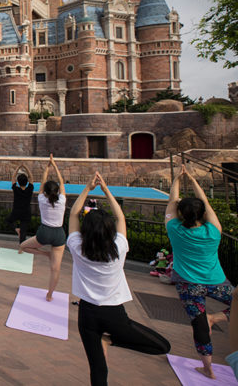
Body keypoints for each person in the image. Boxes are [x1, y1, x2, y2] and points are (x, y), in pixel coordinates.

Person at [68, 171, 170, 385]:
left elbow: (73, 215)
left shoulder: (78, 247)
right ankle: (112, 340)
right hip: (114, 314)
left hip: (87, 314)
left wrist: (87, 187)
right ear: (109, 231)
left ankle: (109, 340)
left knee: (97, 369)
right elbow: (120, 217)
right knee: (162, 346)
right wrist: (106, 190)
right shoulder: (119, 248)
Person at [166, 164, 233, 379]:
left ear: (180, 214)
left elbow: (171, 202)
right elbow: (206, 204)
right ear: (202, 214)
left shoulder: (174, 229)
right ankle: (217, 318)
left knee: (199, 325)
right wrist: (194, 181)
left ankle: (208, 368)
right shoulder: (214, 231)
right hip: (217, 281)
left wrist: (177, 179)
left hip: (188, 284)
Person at [19, 154, 67, 301]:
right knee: (55, 269)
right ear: (57, 191)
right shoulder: (62, 199)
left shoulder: (41, 198)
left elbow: (42, 183)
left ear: (45, 192)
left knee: (23, 246)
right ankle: (49, 295)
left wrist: (47, 166)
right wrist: (55, 166)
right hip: (59, 234)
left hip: (44, 232)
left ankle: (46, 254)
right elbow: (61, 182)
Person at [8, 167, 35, 248]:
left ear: (18, 182)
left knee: (8, 221)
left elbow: (13, 178)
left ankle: (16, 228)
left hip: (16, 212)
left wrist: (18, 168)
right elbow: (31, 178)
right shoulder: (29, 189)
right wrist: (26, 167)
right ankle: (21, 248)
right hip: (26, 212)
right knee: (23, 232)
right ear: (26, 182)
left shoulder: (16, 189)